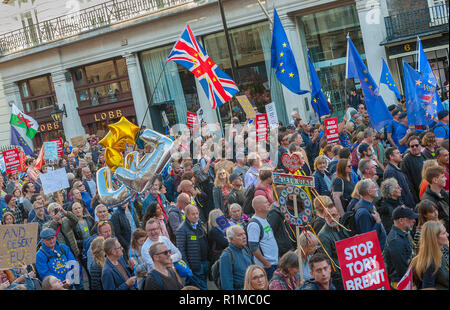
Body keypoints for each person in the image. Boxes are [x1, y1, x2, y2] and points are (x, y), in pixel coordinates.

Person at [383, 206, 419, 289]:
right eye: (410, 218)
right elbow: (402, 270)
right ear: (401, 220)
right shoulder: (395, 241)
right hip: (402, 284)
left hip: (408, 279)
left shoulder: (405, 232)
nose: (414, 220)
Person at [318, 204, 351, 290]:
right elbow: (328, 262)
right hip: (341, 278)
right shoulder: (323, 235)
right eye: (328, 216)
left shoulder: (343, 227)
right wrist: (342, 273)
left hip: (352, 271)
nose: (331, 219)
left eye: (334, 215)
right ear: (324, 217)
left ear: (339, 215)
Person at [176, 204, 209, 290]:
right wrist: (187, 266)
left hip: (204, 262)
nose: (196, 216)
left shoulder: (199, 225)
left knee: (194, 285)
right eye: (193, 214)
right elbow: (181, 250)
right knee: (202, 287)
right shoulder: (182, 229)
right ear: (187, 215)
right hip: (194, 265)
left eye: (197, 213)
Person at [247, 196, 279, 280]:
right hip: (266, 266)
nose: (269, 203)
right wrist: (265, 262)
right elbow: (253, 248)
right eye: (265, 202)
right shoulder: (254, 224)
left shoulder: (264, 219)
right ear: (259, 208)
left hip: (273, 263)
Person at [409, 221, 449, 289]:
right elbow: (427, 287)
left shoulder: (438, 253)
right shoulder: (430, 262)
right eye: (444, 233)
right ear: (435, 238)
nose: (447, 234)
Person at [354, 179, 387, 250]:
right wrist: (378, 222)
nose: (377, 189)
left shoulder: (368, 204)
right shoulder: (363, 213)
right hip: (377, 251)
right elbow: (368, 238)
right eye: (374, 187)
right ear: (369, 191)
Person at [219, 225, 253, 290]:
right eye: (239, 235)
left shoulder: (246, 249)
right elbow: (226, 283)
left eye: (244, 234)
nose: (244, 237)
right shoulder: (226, 255)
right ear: (231, 239)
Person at [421, 166, 449, 231]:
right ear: (435, 180)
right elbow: (433, 225)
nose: (445, 179)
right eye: (442, 177)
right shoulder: (428, 201)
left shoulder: (442, 192)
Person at [401, 136, 426, 202]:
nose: (414, 147)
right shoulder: (406, 160)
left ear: (420, 145)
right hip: (417, 194)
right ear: (409, 147)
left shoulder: (424, 156)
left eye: (416, 145)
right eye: (412, 146)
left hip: (427, 190)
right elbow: (407, 181)